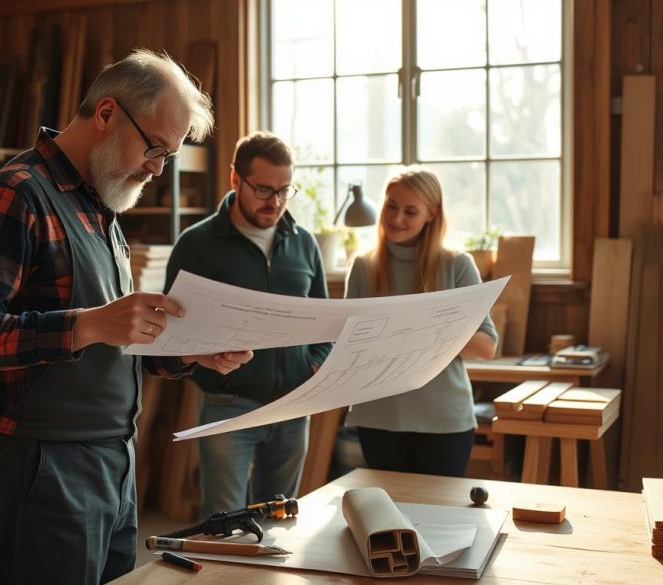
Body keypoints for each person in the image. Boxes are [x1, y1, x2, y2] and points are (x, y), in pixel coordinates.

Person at [0, 49, 252, 585]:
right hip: (42, 463)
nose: (156, 167)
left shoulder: (101, 204)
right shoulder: (15, 196)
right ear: (106, 113)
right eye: (154, 147)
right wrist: (87, 324)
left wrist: (183, 351)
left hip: (113, 458)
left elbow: (112, 337)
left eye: (168, 155)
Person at [164, 131, 332, 517]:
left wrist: (316, 365)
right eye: (263, 190)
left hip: (292, 404)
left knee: (279, 521)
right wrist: (208, 359)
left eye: (285, 191)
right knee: (225, 525)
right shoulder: (197, 244)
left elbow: (325, 319)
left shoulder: (304, 243)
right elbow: (172, 328)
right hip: (227, 403)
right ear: (235, 180)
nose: (275, 202)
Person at [344, 166, 498, 477]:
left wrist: (414, 332)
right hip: (378, 416)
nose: (397, 218)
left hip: (445, 422)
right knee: (389, 521)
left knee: (440, 521)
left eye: (410, 211)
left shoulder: (457, 265)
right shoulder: (363, 266)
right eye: (391, 206)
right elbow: (347, 341)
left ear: (432, 214)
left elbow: (486, 346)